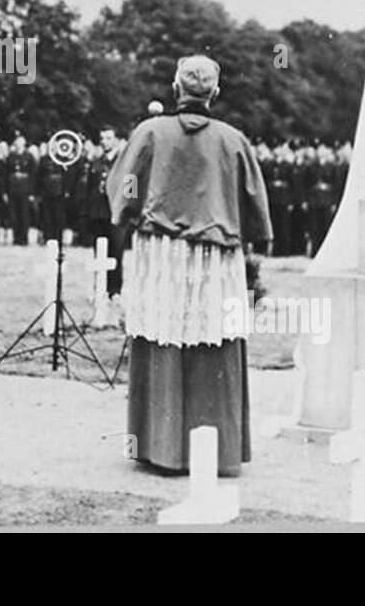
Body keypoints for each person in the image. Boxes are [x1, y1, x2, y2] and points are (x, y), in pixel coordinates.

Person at [108, 55, 272, 476]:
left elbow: (123, 188)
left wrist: (128, 217)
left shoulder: (148, 133)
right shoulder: (233, 140)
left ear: (176, 87)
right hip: (215, 256)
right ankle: (216, 449)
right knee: (212, 340)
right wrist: (254, 238)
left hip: (161, 253)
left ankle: (161, 448)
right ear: (215, 93)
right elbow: (255, 203)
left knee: (163, 337)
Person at [85, 126, 126, 297]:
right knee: (99, 252)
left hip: (116, 212)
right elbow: (90, 187)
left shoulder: (124, 161)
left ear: (116, 140)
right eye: (102, 138)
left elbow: (132, 188)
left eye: (109, 138)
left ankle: (114, 289)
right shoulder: (97, 161)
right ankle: (100, 286)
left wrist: (128, 208)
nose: (105, 142)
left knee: (116, 251)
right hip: (98, 212)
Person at [4, 133, 36, 246]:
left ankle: (24, 238)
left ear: (24, 143)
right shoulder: (11, 157)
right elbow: (6, 175)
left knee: (24, 214)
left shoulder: (29, 157)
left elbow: (33, 175)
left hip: (25, 189)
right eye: (16, 143)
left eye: (20, 142)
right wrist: (6, 191)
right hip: (13, 189)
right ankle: (16, 238)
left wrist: (32, 192)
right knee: (14, 215)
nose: (18, 145)